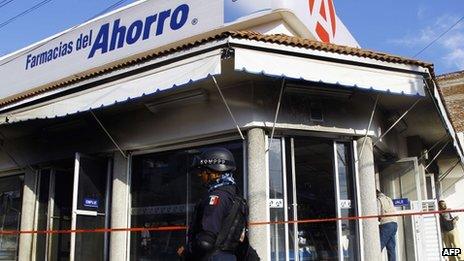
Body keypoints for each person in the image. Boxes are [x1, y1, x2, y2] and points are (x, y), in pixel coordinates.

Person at [183, 147, 256, 261]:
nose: (199, 175)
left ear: (213, 172)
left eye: (202, 171)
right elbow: (239, 239)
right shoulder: (236, 197)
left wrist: (186, 251)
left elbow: (205, 241)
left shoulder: (217, 197)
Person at [377, 189, 398, 261]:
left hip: (386, 224)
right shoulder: (389, 199)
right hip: (394, 224)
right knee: (391, 248)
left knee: (378, 246)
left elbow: (378, 213)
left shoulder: (378, 200)